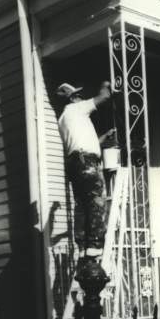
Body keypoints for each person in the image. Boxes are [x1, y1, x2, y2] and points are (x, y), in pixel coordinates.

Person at [56, 80, 113, 257]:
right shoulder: (77, 108)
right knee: (96, 200)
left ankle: (82, 247)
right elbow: (104, 97)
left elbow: (81, 143)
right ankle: (95, 245)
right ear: (73, 98)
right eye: (79, 96)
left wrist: (104, 138)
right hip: (87, 162)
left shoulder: (63, 118)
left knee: (81, 204)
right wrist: (105, 83)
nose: (82, 98)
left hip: (74, 164)